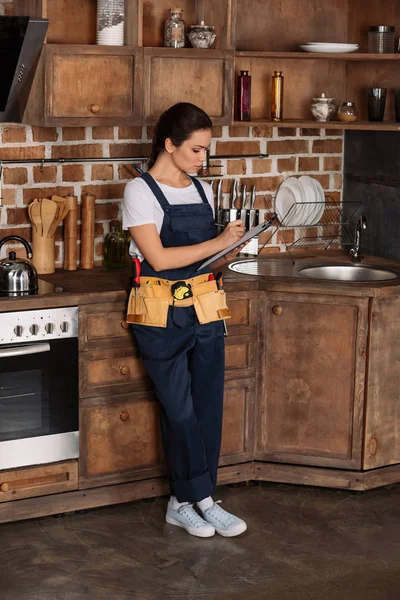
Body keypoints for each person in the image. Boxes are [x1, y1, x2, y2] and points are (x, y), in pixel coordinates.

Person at [122, 102, 247, 538]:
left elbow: (205, 262)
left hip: (205, 307)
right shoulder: (139, 192)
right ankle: (202, 499)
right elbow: (157, 257)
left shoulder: (201, 190)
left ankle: (186, 501)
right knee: (180, 412)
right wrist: (216, 240)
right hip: (157, 314)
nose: (202, 160)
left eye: (206, 151)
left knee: (208, 408)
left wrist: (233, 250)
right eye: (196, 150)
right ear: (170, 144)